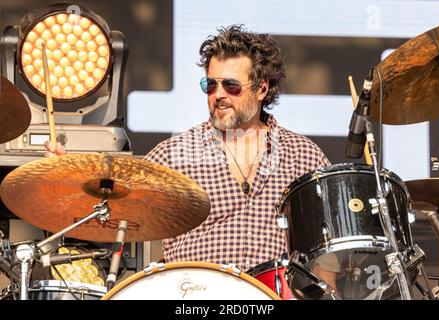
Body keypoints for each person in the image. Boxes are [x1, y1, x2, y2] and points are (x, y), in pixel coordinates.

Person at [45, 24, 330, 275]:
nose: (218, 95)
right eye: (210, 85)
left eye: (231, 86)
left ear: (261, 89)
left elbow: (330, 254)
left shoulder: (304, 156)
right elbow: (108, 218)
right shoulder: (172, 155)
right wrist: (70, 184)